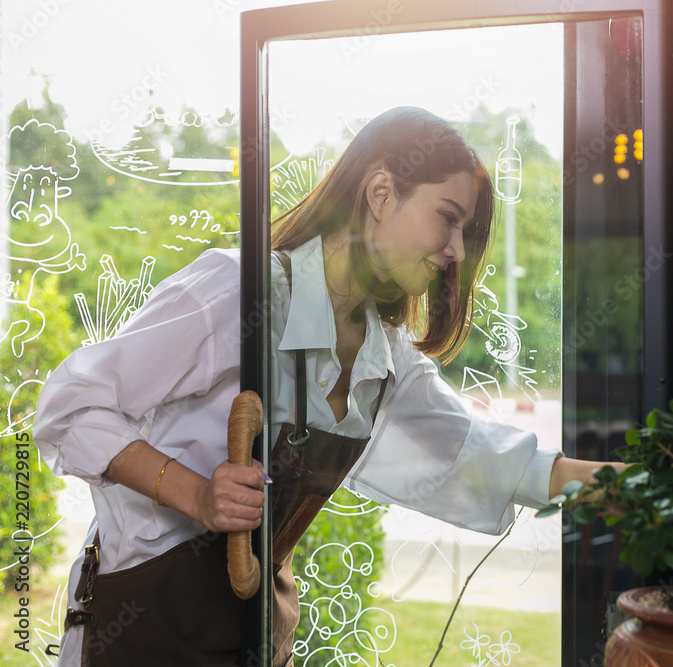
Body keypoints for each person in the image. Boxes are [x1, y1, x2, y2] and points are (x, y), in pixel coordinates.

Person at [34, 106, 621, 666]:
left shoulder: (383, 360)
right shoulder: (241, 293)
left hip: (257, 634)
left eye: (467, 233)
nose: (456, 252)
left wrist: (655, 488)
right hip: (145, 630)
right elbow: (69, 406)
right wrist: (197, 495)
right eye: (448, 218)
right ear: (381, 192)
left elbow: (493, 460)